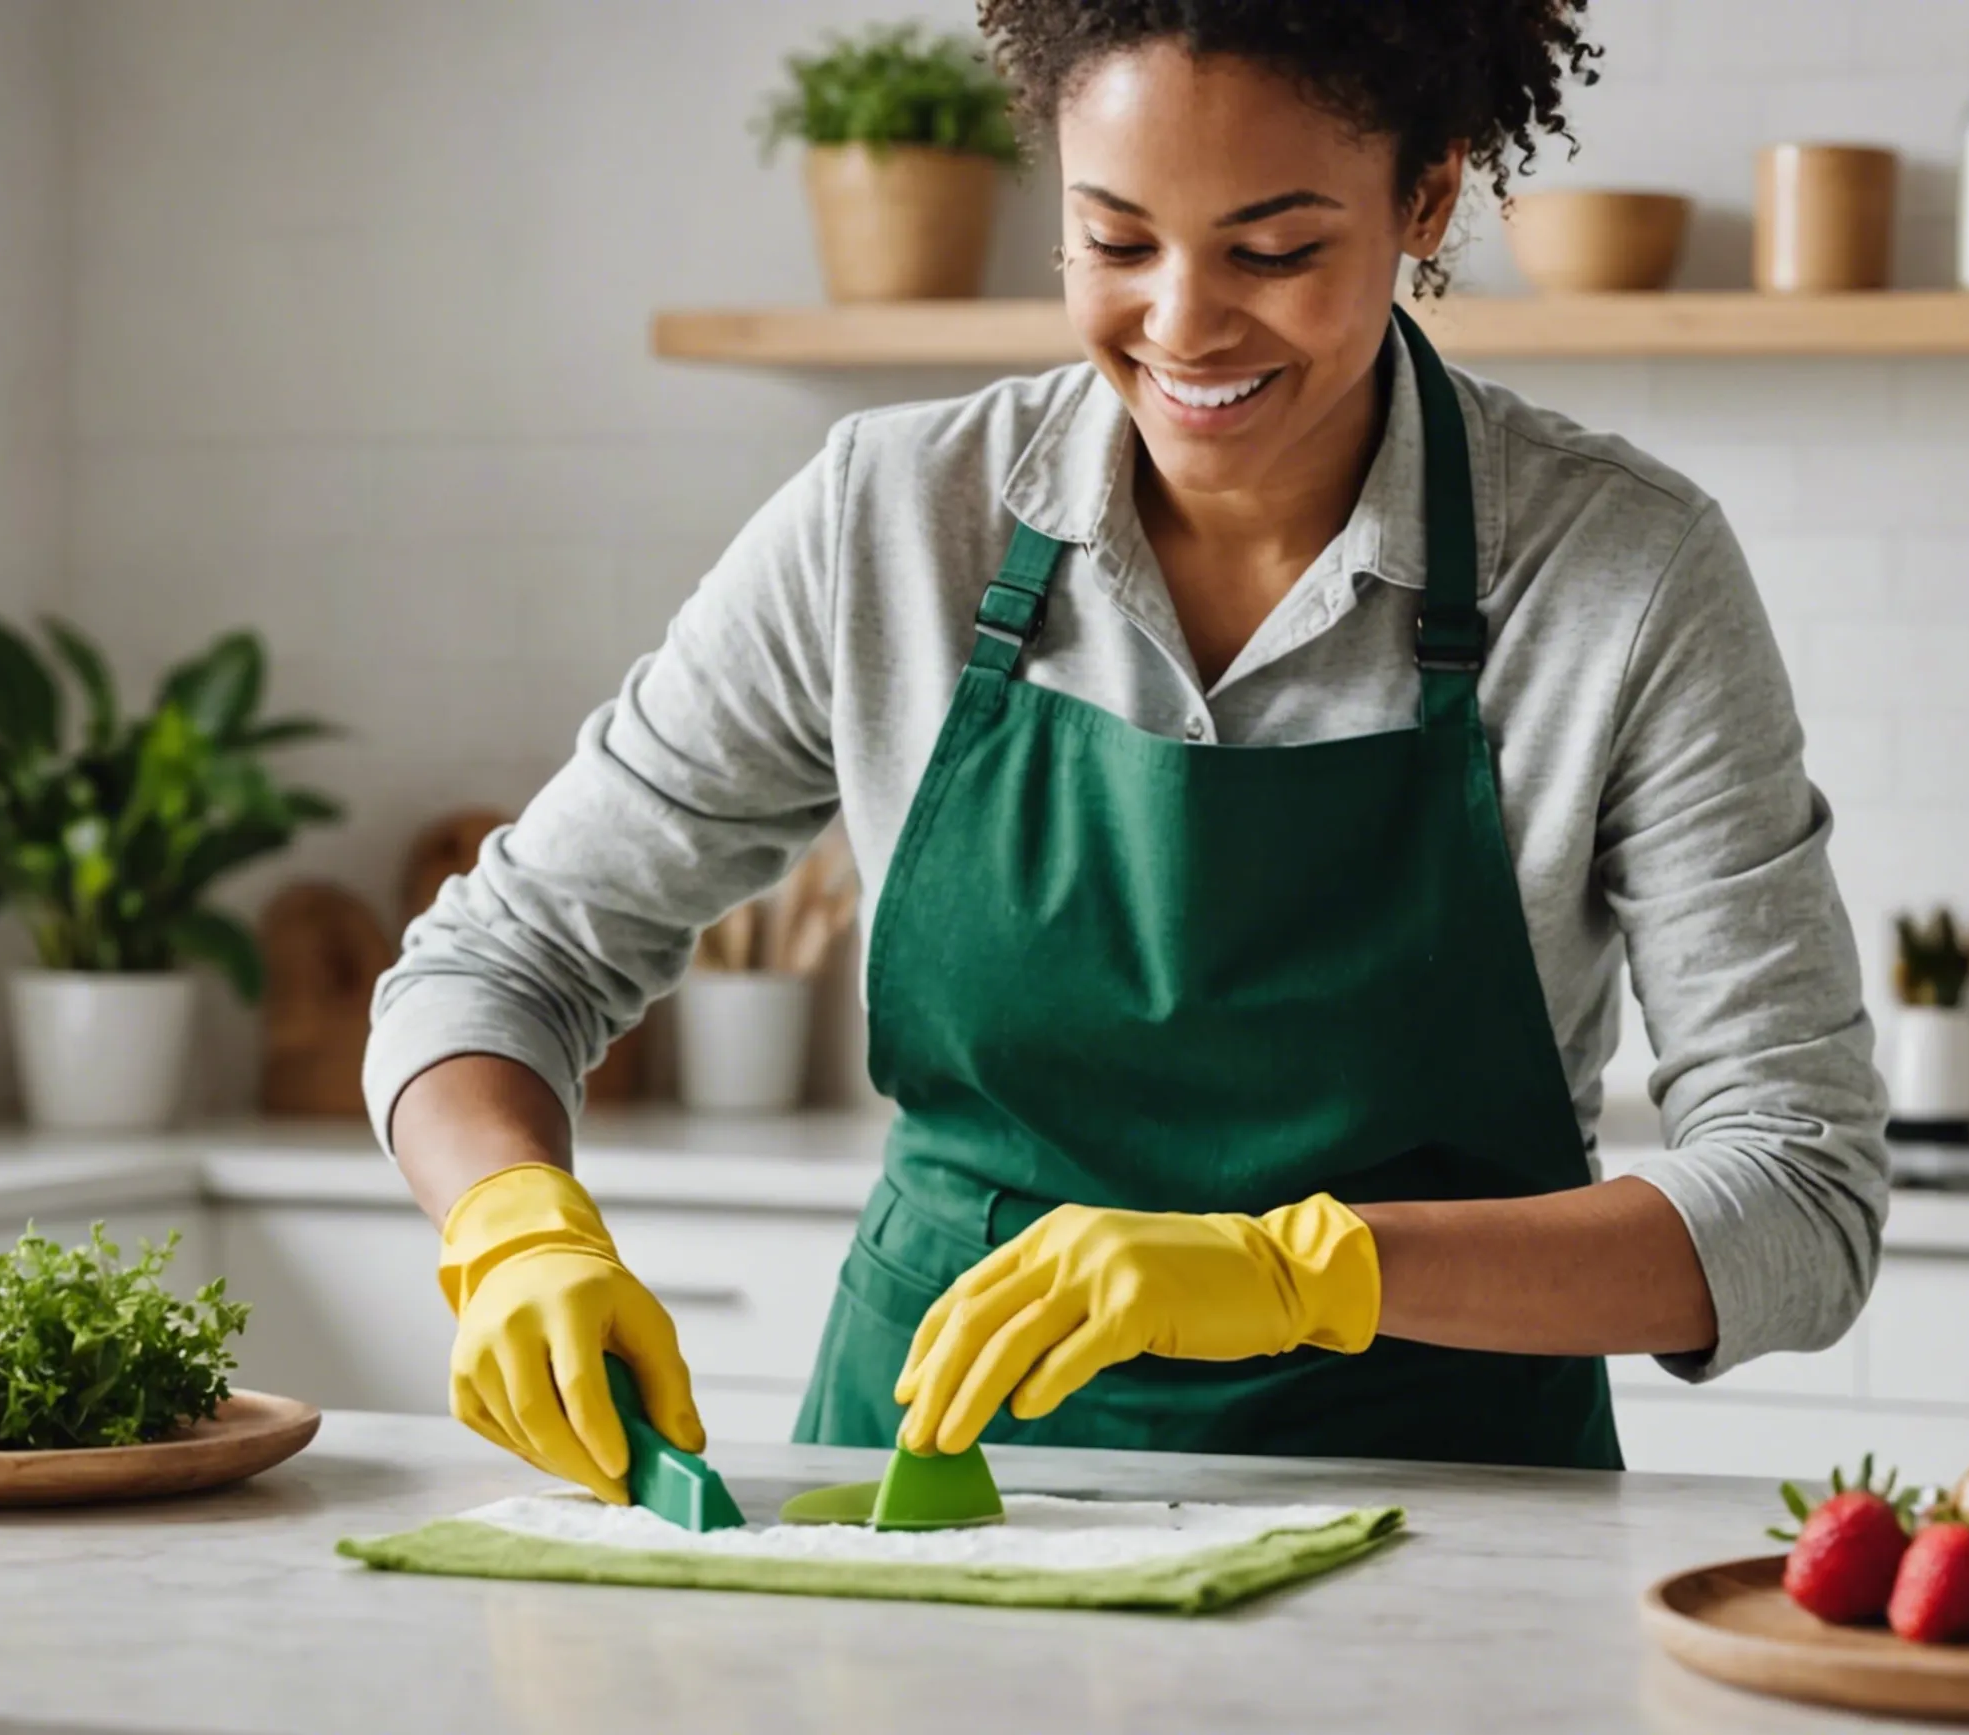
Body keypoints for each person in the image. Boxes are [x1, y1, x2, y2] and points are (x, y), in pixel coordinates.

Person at [369, 0, 1887, 1503]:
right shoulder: (893, 519)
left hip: (1441, 1528)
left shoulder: (1618, 572)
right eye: (1113, 241)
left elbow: (1798, 1201)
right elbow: (500, 960)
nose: (1181, 324)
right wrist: (512, 1225)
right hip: (931, 1517)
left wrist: (1305, 1271)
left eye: (1274, 250)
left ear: (1427, 195)